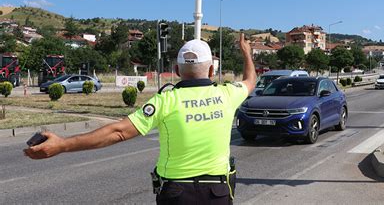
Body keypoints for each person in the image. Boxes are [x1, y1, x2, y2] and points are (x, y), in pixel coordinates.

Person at [24, 33, 256, 204]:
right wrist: (246, 53)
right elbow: (250, 80)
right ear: (211, 71)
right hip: (218, 193)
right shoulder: (227, 94)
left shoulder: (165, 101)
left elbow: (119, 132)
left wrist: (62, 145)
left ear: (176, 70)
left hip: (177, 195)